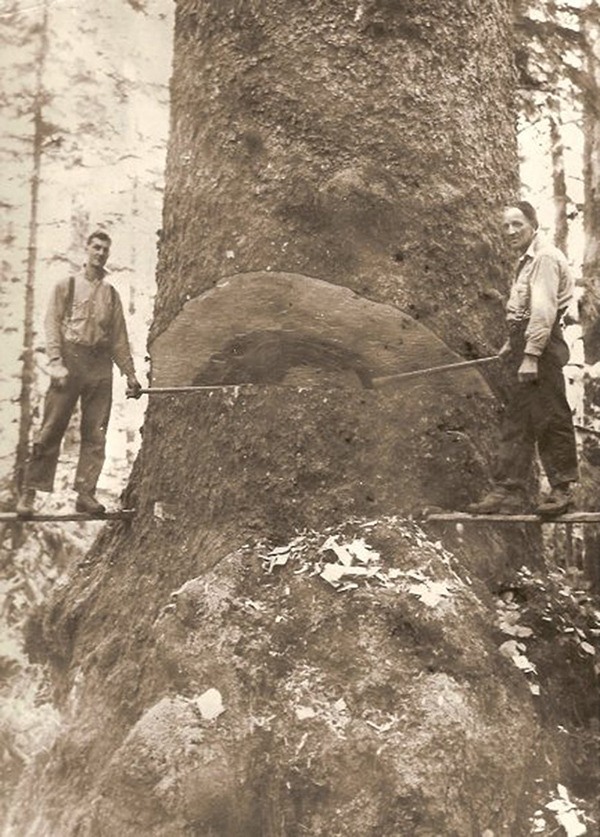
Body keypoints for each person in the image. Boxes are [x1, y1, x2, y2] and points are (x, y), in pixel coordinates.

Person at [16, 231, 142, 517]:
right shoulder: (67, 286)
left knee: (95, 432)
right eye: (95, 247)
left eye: (104, 249)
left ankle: (85, 493)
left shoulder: (111, 294)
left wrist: (130, 374)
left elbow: (119, 339)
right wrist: (56, 361)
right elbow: (52, 324)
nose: (99, 253)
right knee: (51, 427)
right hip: (71, 359)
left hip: (100, 364)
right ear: (87, 250)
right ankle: (29, 493)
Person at [467, 200, 578, 516]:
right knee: (517, 419)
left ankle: (562, 491)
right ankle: (509, 491)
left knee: (550, 415)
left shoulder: (543, 258)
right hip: (527, 345)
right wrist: (511, 344)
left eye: (517, 224)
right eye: (505, 226)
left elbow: (544, 311)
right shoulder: (526, 261)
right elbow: (525, 311)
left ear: (533, 224)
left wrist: (530, 355)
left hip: (541, 349)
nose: (510, 231)